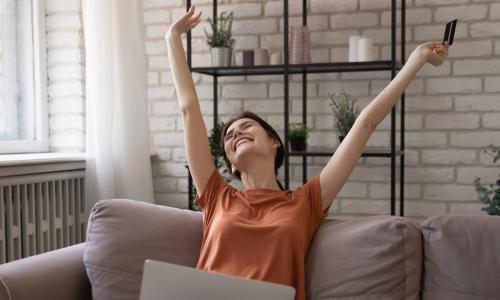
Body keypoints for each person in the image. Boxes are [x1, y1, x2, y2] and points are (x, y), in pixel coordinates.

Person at [165, 5, 449, 300]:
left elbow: (365, 124)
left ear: (275, 142)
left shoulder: (305, 203)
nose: (235, 133)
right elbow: (188, 108)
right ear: (232, 166)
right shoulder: (216, 197)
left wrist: (417, 60)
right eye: (229, 136)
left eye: (246, 126)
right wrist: (172, 37)